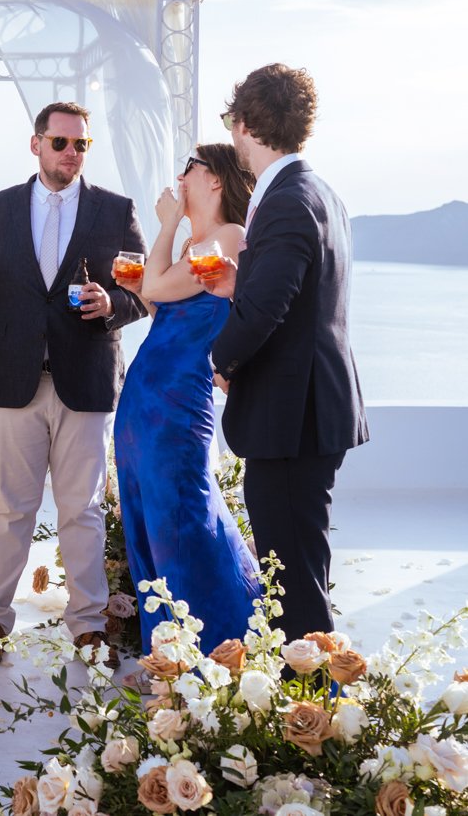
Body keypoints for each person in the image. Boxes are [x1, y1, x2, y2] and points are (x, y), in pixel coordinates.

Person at [0, 101, 147, 668]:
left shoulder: (116, 210)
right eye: (60, 142)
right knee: (8, 507)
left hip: (85, 380)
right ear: (36, 143)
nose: (71, 152)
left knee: (81, 510)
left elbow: (142, 291)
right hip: (9, 381)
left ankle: (88, 626)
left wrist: (113, 303)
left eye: (80, 144)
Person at [201, 64, 368, 643]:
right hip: (305, 410)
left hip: (292, 415)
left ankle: (313, 691)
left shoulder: (287, 200)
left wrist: (219, 362)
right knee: (297, 566)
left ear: (245, 124)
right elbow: (296, 293)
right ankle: (307, 682)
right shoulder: (320, 193)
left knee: (292, 577)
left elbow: (267, 311)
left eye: (232, 122)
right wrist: (241, 281)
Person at [112, 143, 260, 655]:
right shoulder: (196, 248)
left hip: (177, 405)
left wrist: (168, 223)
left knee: (184, 524)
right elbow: (162, 307)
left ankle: (218, 648)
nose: (179, 178)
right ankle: (166, 654)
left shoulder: (229, 236)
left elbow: (158, 286)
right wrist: (144, 282)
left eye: (189, 169)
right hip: (144, 400)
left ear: (215, 180)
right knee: (147, 526)